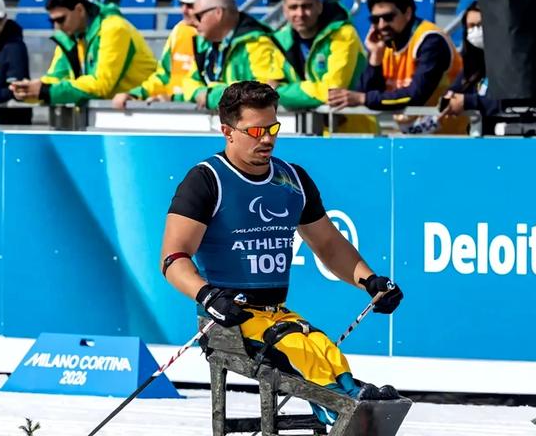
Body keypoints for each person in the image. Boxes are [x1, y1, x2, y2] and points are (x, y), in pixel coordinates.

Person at [160, 81, 404, 424]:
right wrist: (208, 295)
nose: (267, 138)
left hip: (275, 314)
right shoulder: (207, 179)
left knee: (322, 347)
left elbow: (329, 245)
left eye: (273, 127)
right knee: (298, 347)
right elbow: (173, 258)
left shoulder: (291, 179)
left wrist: (370, 281)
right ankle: (342, 406)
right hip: (230, 320)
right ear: (228, 131)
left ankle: (351, 397)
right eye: (256, 130)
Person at [327, 0, 465, 134]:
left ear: (407, 13)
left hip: (454, 138)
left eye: (388, 17)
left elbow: (415, 96)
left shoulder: (430, 41)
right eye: (375, 19)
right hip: (414, 138)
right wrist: (375, 57)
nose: (381, 26)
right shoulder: (386, 43)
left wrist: (363, 98)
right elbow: (367, 92)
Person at [10, 0, 156, 105]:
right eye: (52, 21)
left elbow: (101, 84)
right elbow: (56, 78)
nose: (57, 27)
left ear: (79, 10)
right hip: (109, 113)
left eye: (61, 19)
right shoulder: (68, 36)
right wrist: (30, 91)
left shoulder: (114, 28)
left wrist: (45, 91)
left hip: (141, 109)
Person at [274, 0, 375, 133]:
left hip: (354, 132)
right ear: (284, 10)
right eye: (293, 7)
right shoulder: (280, 40)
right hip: (307, 132)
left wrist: (279, 92)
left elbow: (332, 90)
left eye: (306, 6)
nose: (300, 14)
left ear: (319, 6)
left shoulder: (344, 34)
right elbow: (266, 83)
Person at [182, 0, 289, 110]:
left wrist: (210, 96)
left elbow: (263, 91)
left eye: (198, 16)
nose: (194, 22)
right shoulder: (204, 44)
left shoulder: (257, 42)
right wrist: (200, 93)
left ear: (218, 13)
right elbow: (188, 83)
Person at [112, 0, 201, 109]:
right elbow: (163, 76)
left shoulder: (220, 37)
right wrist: (136, 94)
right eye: (182, 4)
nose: (183, 10)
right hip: (174, 110)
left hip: (205, 114)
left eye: (190, 5)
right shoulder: (179, 31)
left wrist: (174, 99)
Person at [439, 1, 500, 134]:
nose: (475, 31)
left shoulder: (510, 64)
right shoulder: (473, 64)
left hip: (509, 139)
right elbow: (454, 90)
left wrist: (468, 101)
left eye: (480, 25)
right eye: (470, 26)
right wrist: (450, 97)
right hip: (479, 138)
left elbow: (508, 104)